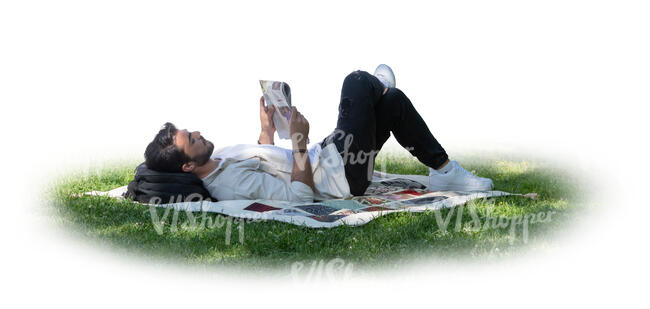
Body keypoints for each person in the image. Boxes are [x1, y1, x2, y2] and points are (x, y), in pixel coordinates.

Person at [143, 65, 493, 203]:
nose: (198, 133)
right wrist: (297, 142)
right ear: (187, 166)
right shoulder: (227, 186)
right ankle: (376, 88)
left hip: (330, 156)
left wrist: (267, 130)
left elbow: (261, 162)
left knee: (394, 103)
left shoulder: (220, 159)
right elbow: (297, 199)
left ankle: (444, 171)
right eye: (191, 139)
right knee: (356, 81)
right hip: (340, 177)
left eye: (190, 130)